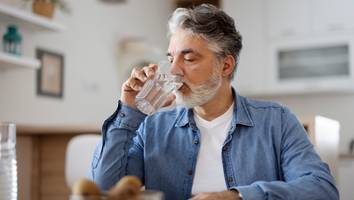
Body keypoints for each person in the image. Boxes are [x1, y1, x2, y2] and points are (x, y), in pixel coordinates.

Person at [90, 4, 339, 200]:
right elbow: (105, 188)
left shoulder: (277, 121)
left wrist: (238, 196)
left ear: (226, 65)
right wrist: (129, 110)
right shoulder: (152, 126)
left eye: (189, 59)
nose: (174, 71)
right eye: (171, 58)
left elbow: (321, 190)